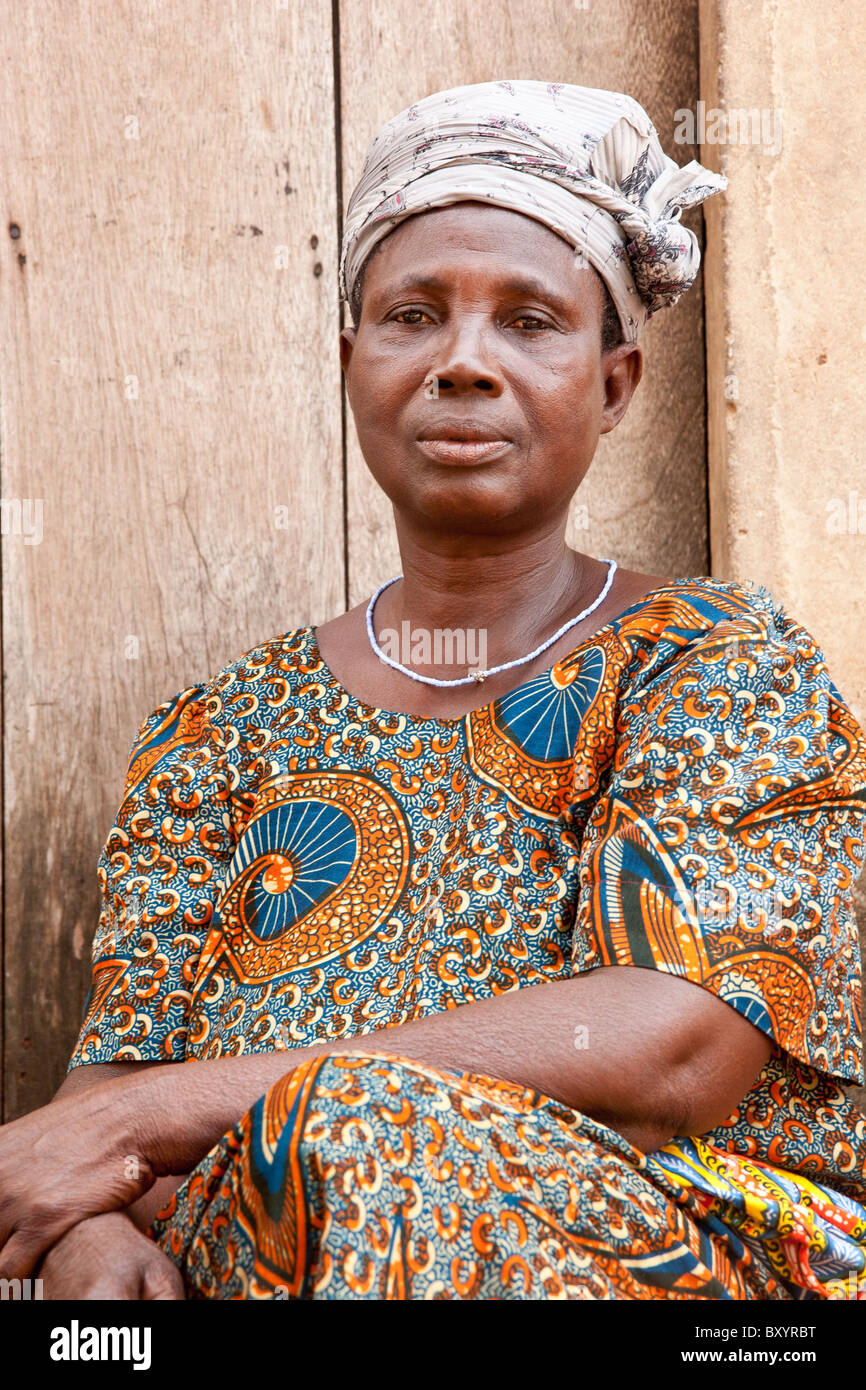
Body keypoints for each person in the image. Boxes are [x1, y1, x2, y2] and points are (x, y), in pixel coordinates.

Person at [1, 79, 865, 1301]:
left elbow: (679, 1043)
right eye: (413, 315)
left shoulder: (714, 664)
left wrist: (190, 1117)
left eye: (528, 321)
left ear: (612, 384)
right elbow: (104, 1097)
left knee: (355, 1132)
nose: (463, 362)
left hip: (688, 1276)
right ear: (352, 359)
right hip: (262, 1255)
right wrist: (87, 1231)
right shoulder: (219, 732)